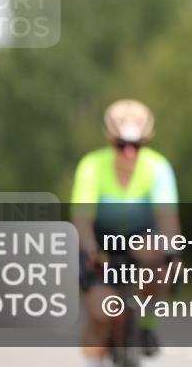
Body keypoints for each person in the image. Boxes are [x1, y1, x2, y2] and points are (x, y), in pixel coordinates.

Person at [71, 99, 180, 367]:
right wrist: (90, 249)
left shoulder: (158, 168)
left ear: (146, 142)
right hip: (100, 241)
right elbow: (82, 219)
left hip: (141, 240)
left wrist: (174, 252)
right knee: (100, 315)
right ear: (110, 141)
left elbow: (168, 220)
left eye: (137, 144)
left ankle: (146, 324)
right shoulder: (92, 166)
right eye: (122, 144)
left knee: (161, 259)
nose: (129, 151)